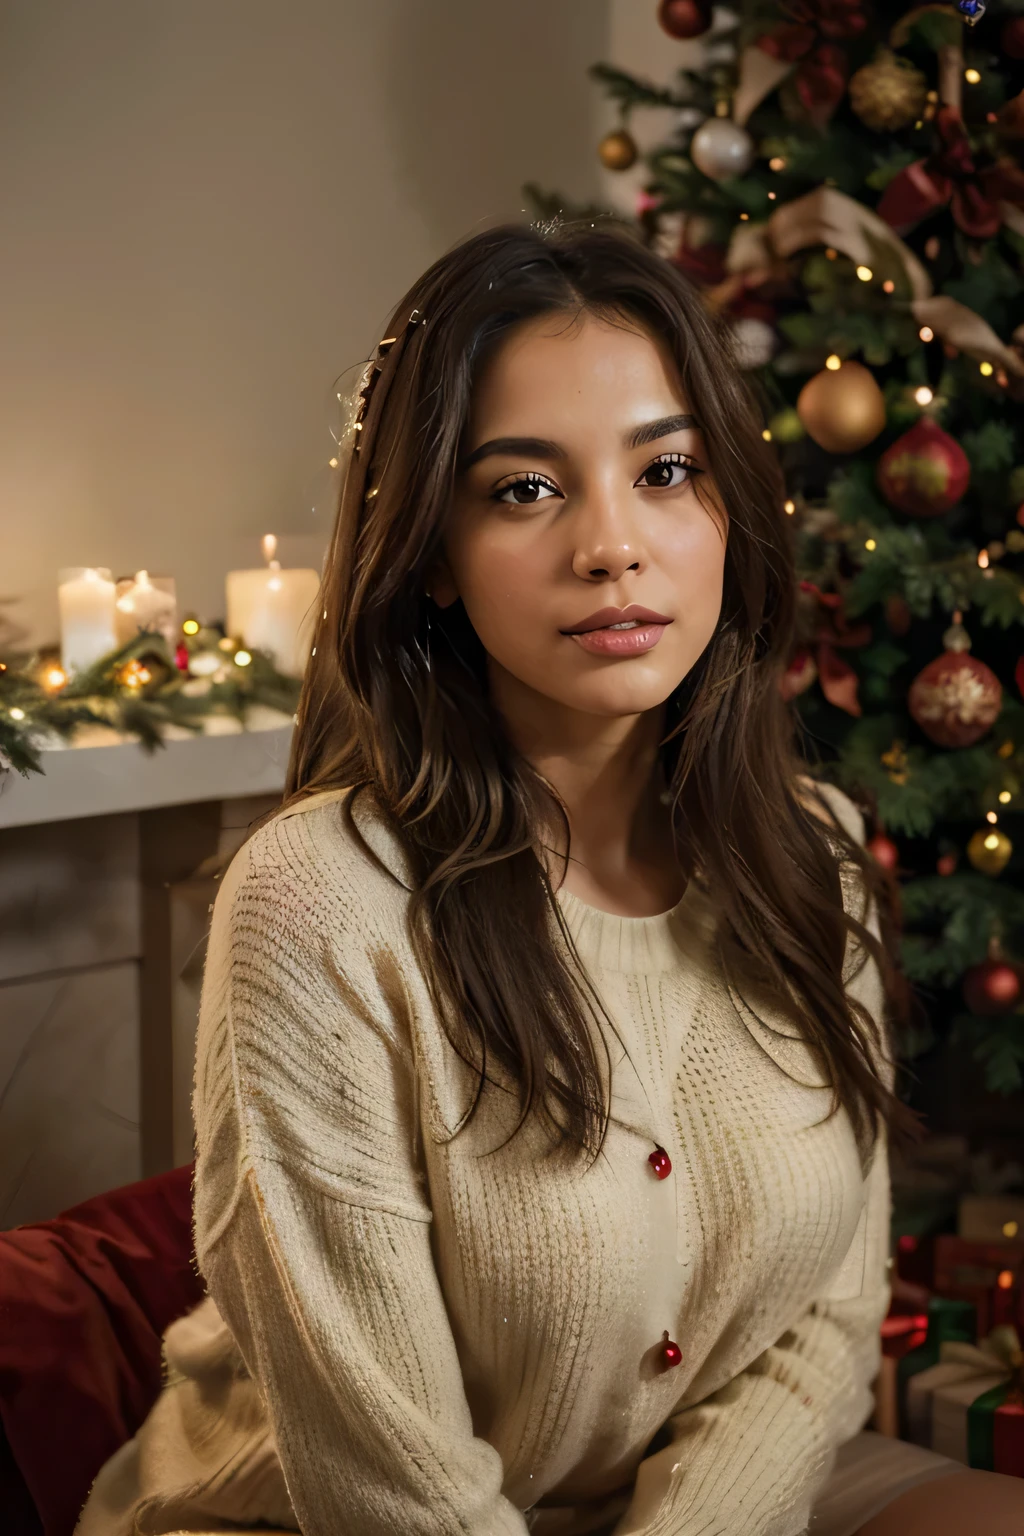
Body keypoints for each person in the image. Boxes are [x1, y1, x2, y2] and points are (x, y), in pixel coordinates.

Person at [75, 222, 1024, 1536]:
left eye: (667, 471)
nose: (611, 546)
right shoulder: (316, 906)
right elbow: (384, 1474)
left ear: (728, 509)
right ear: (433, 555)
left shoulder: (815, 857)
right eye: (525, 489)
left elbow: (826, 1324)